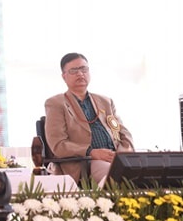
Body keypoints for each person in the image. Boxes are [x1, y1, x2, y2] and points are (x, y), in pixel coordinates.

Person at [44, 53, 134, 186]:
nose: (80, 74)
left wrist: (120, 157)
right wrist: (91, 152)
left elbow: (124, 134)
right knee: (119, 177)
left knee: (147, 176)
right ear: (64, 76)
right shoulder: (56, 103)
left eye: (84, 69)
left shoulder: (106, 102)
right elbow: (58, 145)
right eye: (74, 71)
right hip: (84, 164)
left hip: (114, 159)